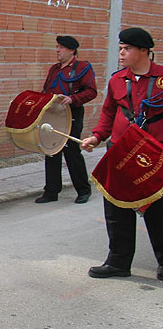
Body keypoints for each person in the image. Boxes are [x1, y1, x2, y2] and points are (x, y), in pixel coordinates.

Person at [81, 27, 163, 281]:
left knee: (157, 209)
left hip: (153, 154)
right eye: (120, 49)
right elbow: (108, 113)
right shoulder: (118, 80)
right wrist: (96, 136)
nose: (122, 53)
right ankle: (118, 261)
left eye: (127, 49)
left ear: (144, 51)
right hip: (120, 152)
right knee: (116, 208)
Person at [35, 36, 97, 204]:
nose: (57, 50)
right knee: (51, 150)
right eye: (57, 46)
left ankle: (83, 190)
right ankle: (51, 191)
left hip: (72, 114)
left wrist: (73, 99)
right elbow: (46, 90)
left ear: (71, 50)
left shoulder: (83, 67)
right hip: (53, 115)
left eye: (61, 47)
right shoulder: (54, 69)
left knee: (71, 151)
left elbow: (91, 91)